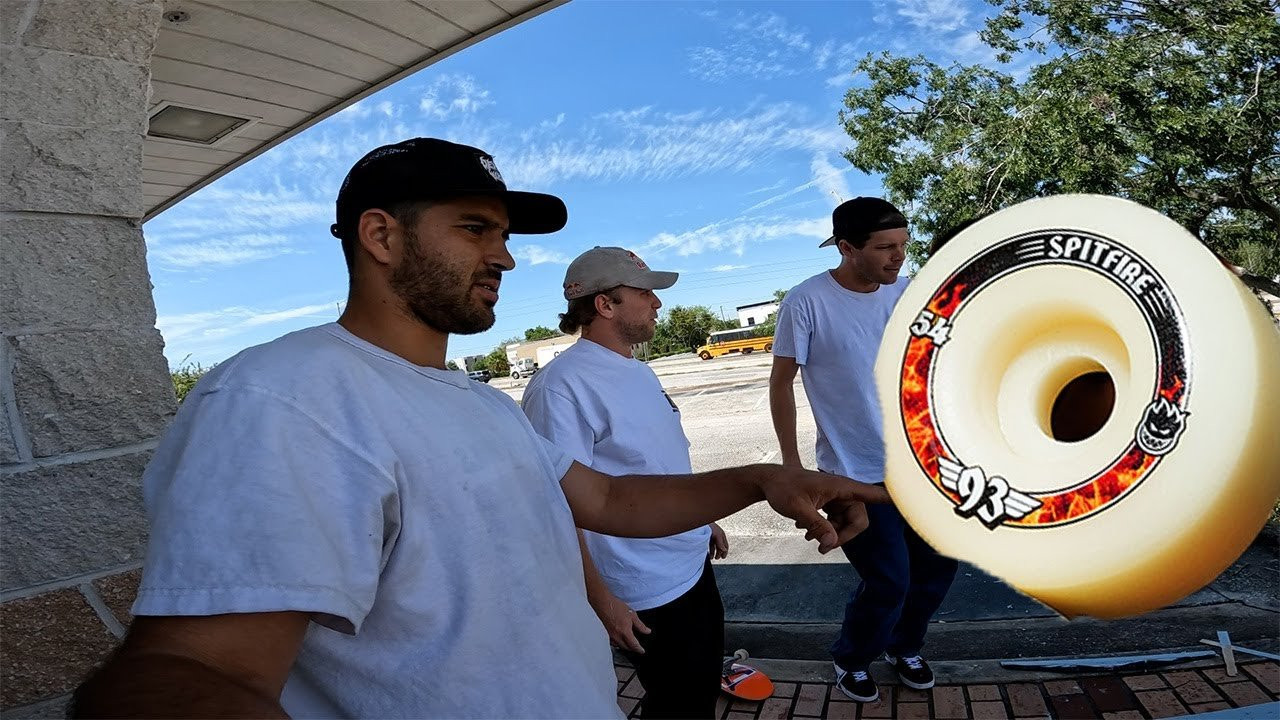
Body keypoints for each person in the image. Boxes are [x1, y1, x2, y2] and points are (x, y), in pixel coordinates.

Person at [69, 138, 889, 719]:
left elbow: (604, 498)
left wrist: (758, 479)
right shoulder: (282, 398)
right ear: (381, 235)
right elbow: (185, 672)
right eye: (473, 229)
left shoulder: (474, 400)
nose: (503, 257)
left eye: (502, 235)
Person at [522, 247, 727, 719]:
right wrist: (603, 600)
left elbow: (657, 460)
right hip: (642, 591)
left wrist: (701, 519)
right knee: (680, 704)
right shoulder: (562, 387)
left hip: (688, 563)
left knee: (696, 692)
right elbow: (558, 504)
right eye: (645, 293)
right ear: (605, 305)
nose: (657, 304)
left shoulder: (638, 368)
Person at [768, 197, 958, 704]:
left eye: (903, 245)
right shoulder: (806, 301)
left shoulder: (906, 294)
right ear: (847, 248)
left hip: (923, 467)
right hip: (853, 473)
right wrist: (792, 470)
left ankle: (905, 647)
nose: (898, 257)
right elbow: (781, 383)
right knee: (888, 581)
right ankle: (852, 658)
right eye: (885, 248)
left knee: (938, 568)